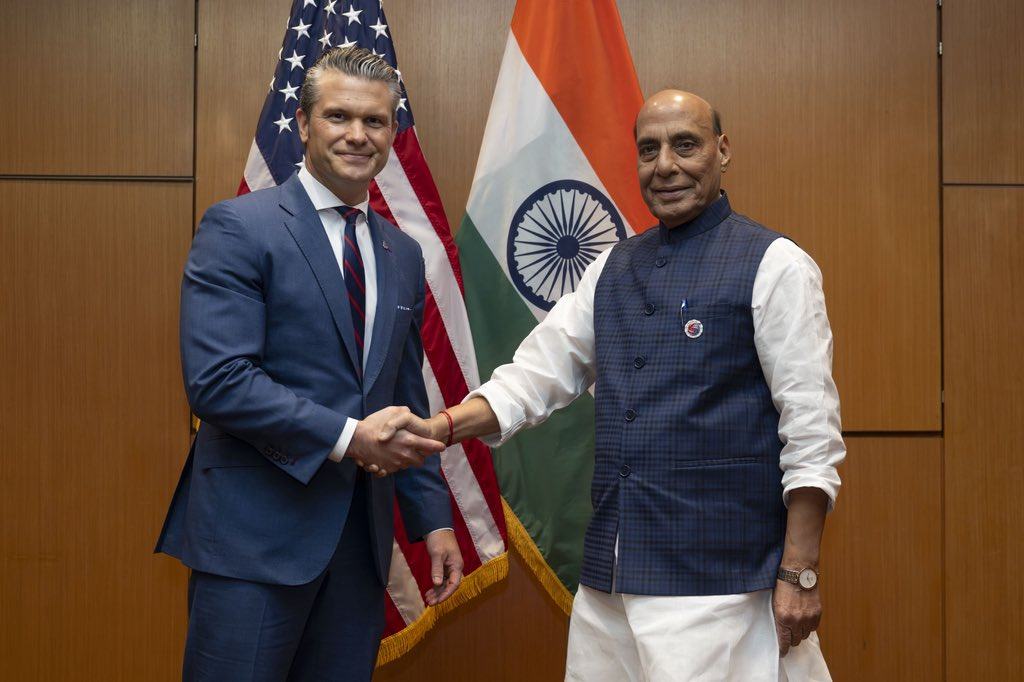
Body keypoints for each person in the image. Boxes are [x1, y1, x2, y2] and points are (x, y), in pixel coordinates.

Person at [385, 91, 843, 681]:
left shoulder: (777, 265)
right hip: (610, 584)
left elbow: (811, 432)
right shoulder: (610, 268)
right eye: (649, 150)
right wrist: (441, 427)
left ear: (722, 151)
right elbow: (534, 377)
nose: (666, 165)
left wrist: (799, 574)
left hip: (717, 585)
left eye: (686, 145)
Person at [155, 47, 462, 681]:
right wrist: (350, 439)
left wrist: (431, 520)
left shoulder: (401, 252)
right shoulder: (240, 228)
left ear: (393, 132)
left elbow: (403, 396)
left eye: (375, 121)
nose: (357, 135)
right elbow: (219, 381)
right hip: (253, 541)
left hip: (358, 546)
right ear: (302, 124)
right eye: (338, 116)